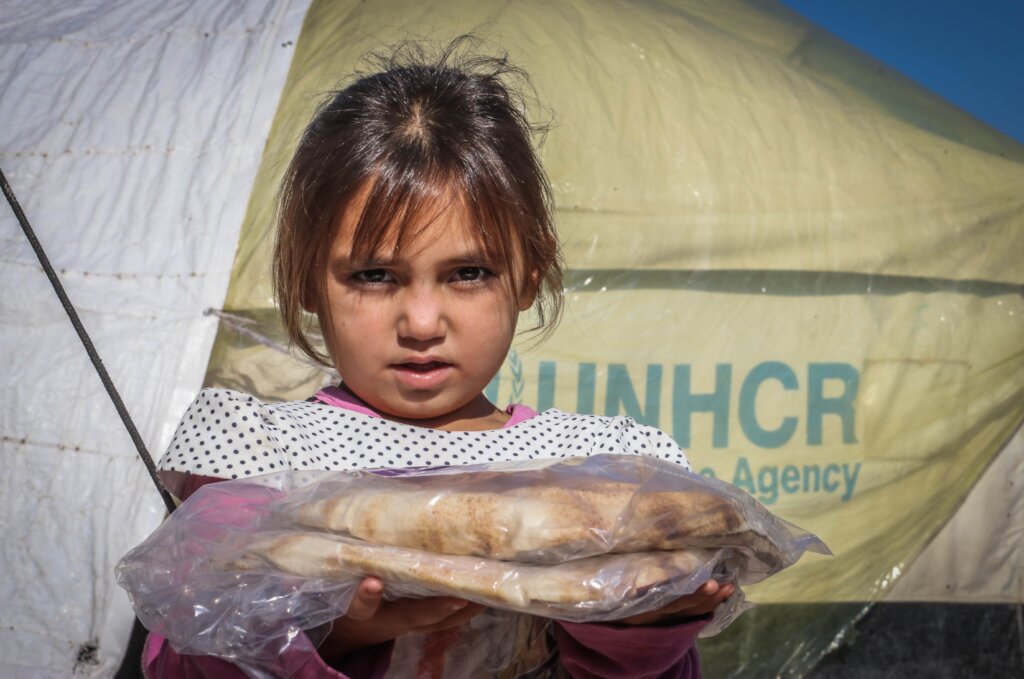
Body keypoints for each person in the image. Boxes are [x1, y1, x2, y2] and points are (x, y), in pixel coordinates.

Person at [142, 38, 734, 678]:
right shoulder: (259, 454)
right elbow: (184, 656)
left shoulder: (601, 471)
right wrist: (329, 638)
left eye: (468, 272)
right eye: (373, 275)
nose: (421, 322)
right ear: (310, 281)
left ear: (530, 275)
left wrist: (639, 629)